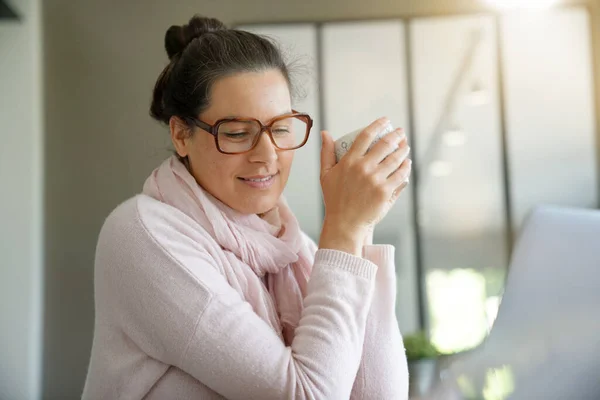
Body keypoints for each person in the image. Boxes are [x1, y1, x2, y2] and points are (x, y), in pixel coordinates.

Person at [82, 14, 412, 400]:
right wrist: (344, 229)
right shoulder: (141, 236)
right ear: (181, 134)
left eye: (282, 127)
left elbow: (376, 394)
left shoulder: (293, 251)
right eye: (238, 133)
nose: (267, 155)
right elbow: (306, 394)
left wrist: (361, 227)